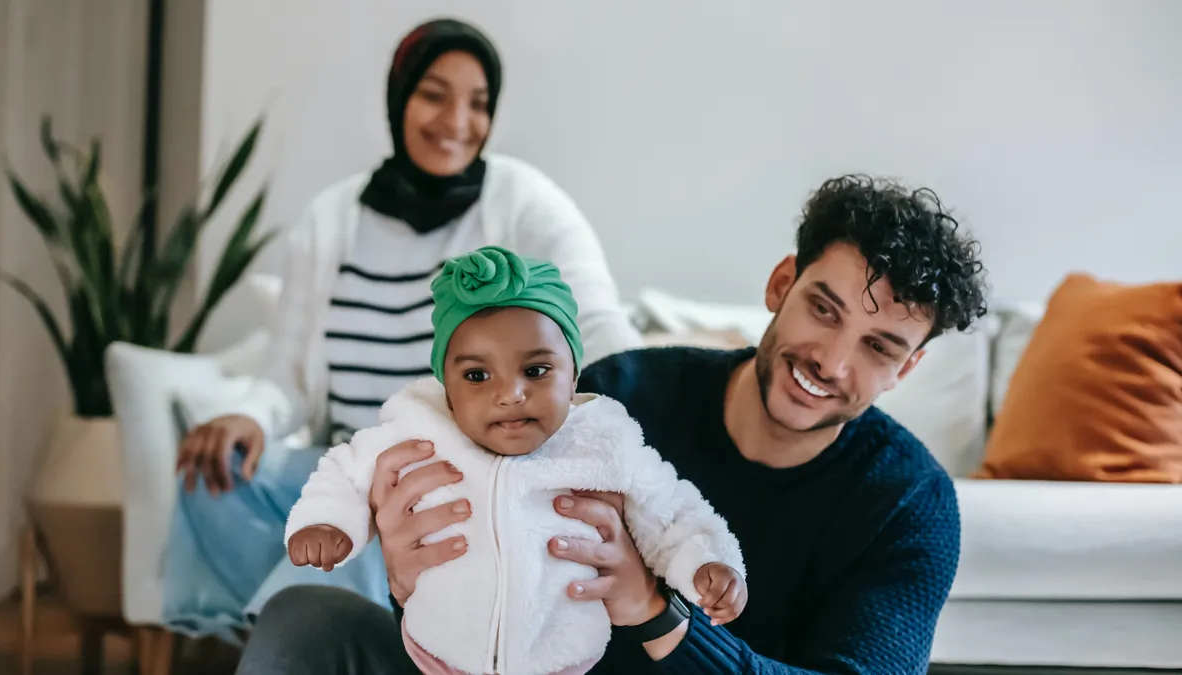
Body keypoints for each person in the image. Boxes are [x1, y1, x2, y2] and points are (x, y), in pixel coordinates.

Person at [235, 174, 990, 675]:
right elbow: (492, 551)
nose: (829, 359)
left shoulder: (908, 504)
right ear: (781, 284)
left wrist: (654, 611)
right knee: (304, 621)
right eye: (823, 309)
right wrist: (411, 578)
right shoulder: (622, 398)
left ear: (908, 368)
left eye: (879, 345)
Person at [162, 18, 641, 644]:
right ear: (400, 97)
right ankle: (318, 616)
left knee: (388, 509)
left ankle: (303, 629)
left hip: (463, 471)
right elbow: (287, 378)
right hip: (346, 460)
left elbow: (600, 330)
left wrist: (638, 413)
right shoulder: (330, 220)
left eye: (478, 104)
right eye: (434, 94)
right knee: (218, 476)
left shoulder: (526, 203)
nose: (456, 121)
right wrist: (248, 415)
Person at [285, 245, 747, 675]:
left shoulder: (605, 442)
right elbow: (346, 469)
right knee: (295, 617)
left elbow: (672, 512)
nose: (510, 394)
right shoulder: (417, 429)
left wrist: (706, 565)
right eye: (477, 375)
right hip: (437, 654)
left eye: (536, 370)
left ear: (573, 377)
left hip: (561, 661)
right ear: (446, 386)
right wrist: (328, 523)